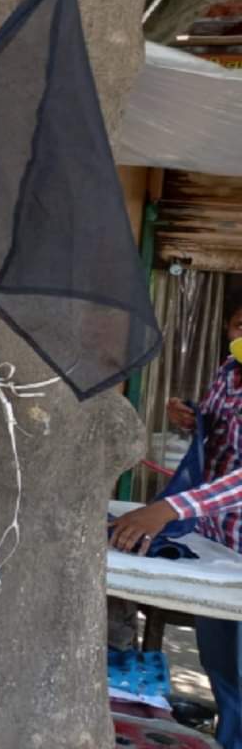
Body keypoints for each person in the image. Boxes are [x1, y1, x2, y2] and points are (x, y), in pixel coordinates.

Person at [109, 299, 242, 749]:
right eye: (241, 324)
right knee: (222, 666)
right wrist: (190, 418)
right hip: (216, 544)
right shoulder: (228, 372)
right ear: (227, 327)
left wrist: (170, 508)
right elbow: (218, 441)